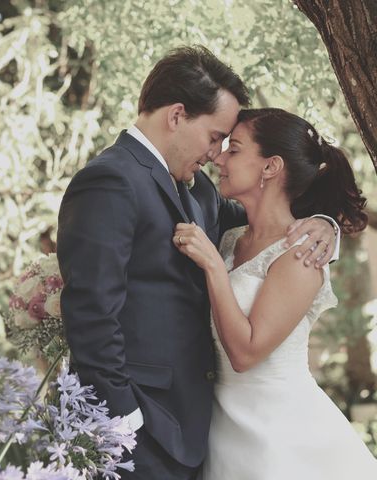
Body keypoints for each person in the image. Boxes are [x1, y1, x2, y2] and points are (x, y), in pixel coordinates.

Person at [56, 46, 339, 480]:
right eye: (213, 136)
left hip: (195, 430)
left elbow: (269, 223)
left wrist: (325, 225)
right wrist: (123, 424)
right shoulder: (110, 180)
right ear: (176, 115)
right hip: (137, 433)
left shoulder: (201, 190)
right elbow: (92, 314)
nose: (216, 153)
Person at [173, 108, 376, 479]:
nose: (218, 157)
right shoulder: (232, 238)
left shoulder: (301, 254)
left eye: (233, 150)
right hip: (221, 429)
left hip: (279, 435)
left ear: (271, 167)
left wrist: (215, 269)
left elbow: (246, 353)